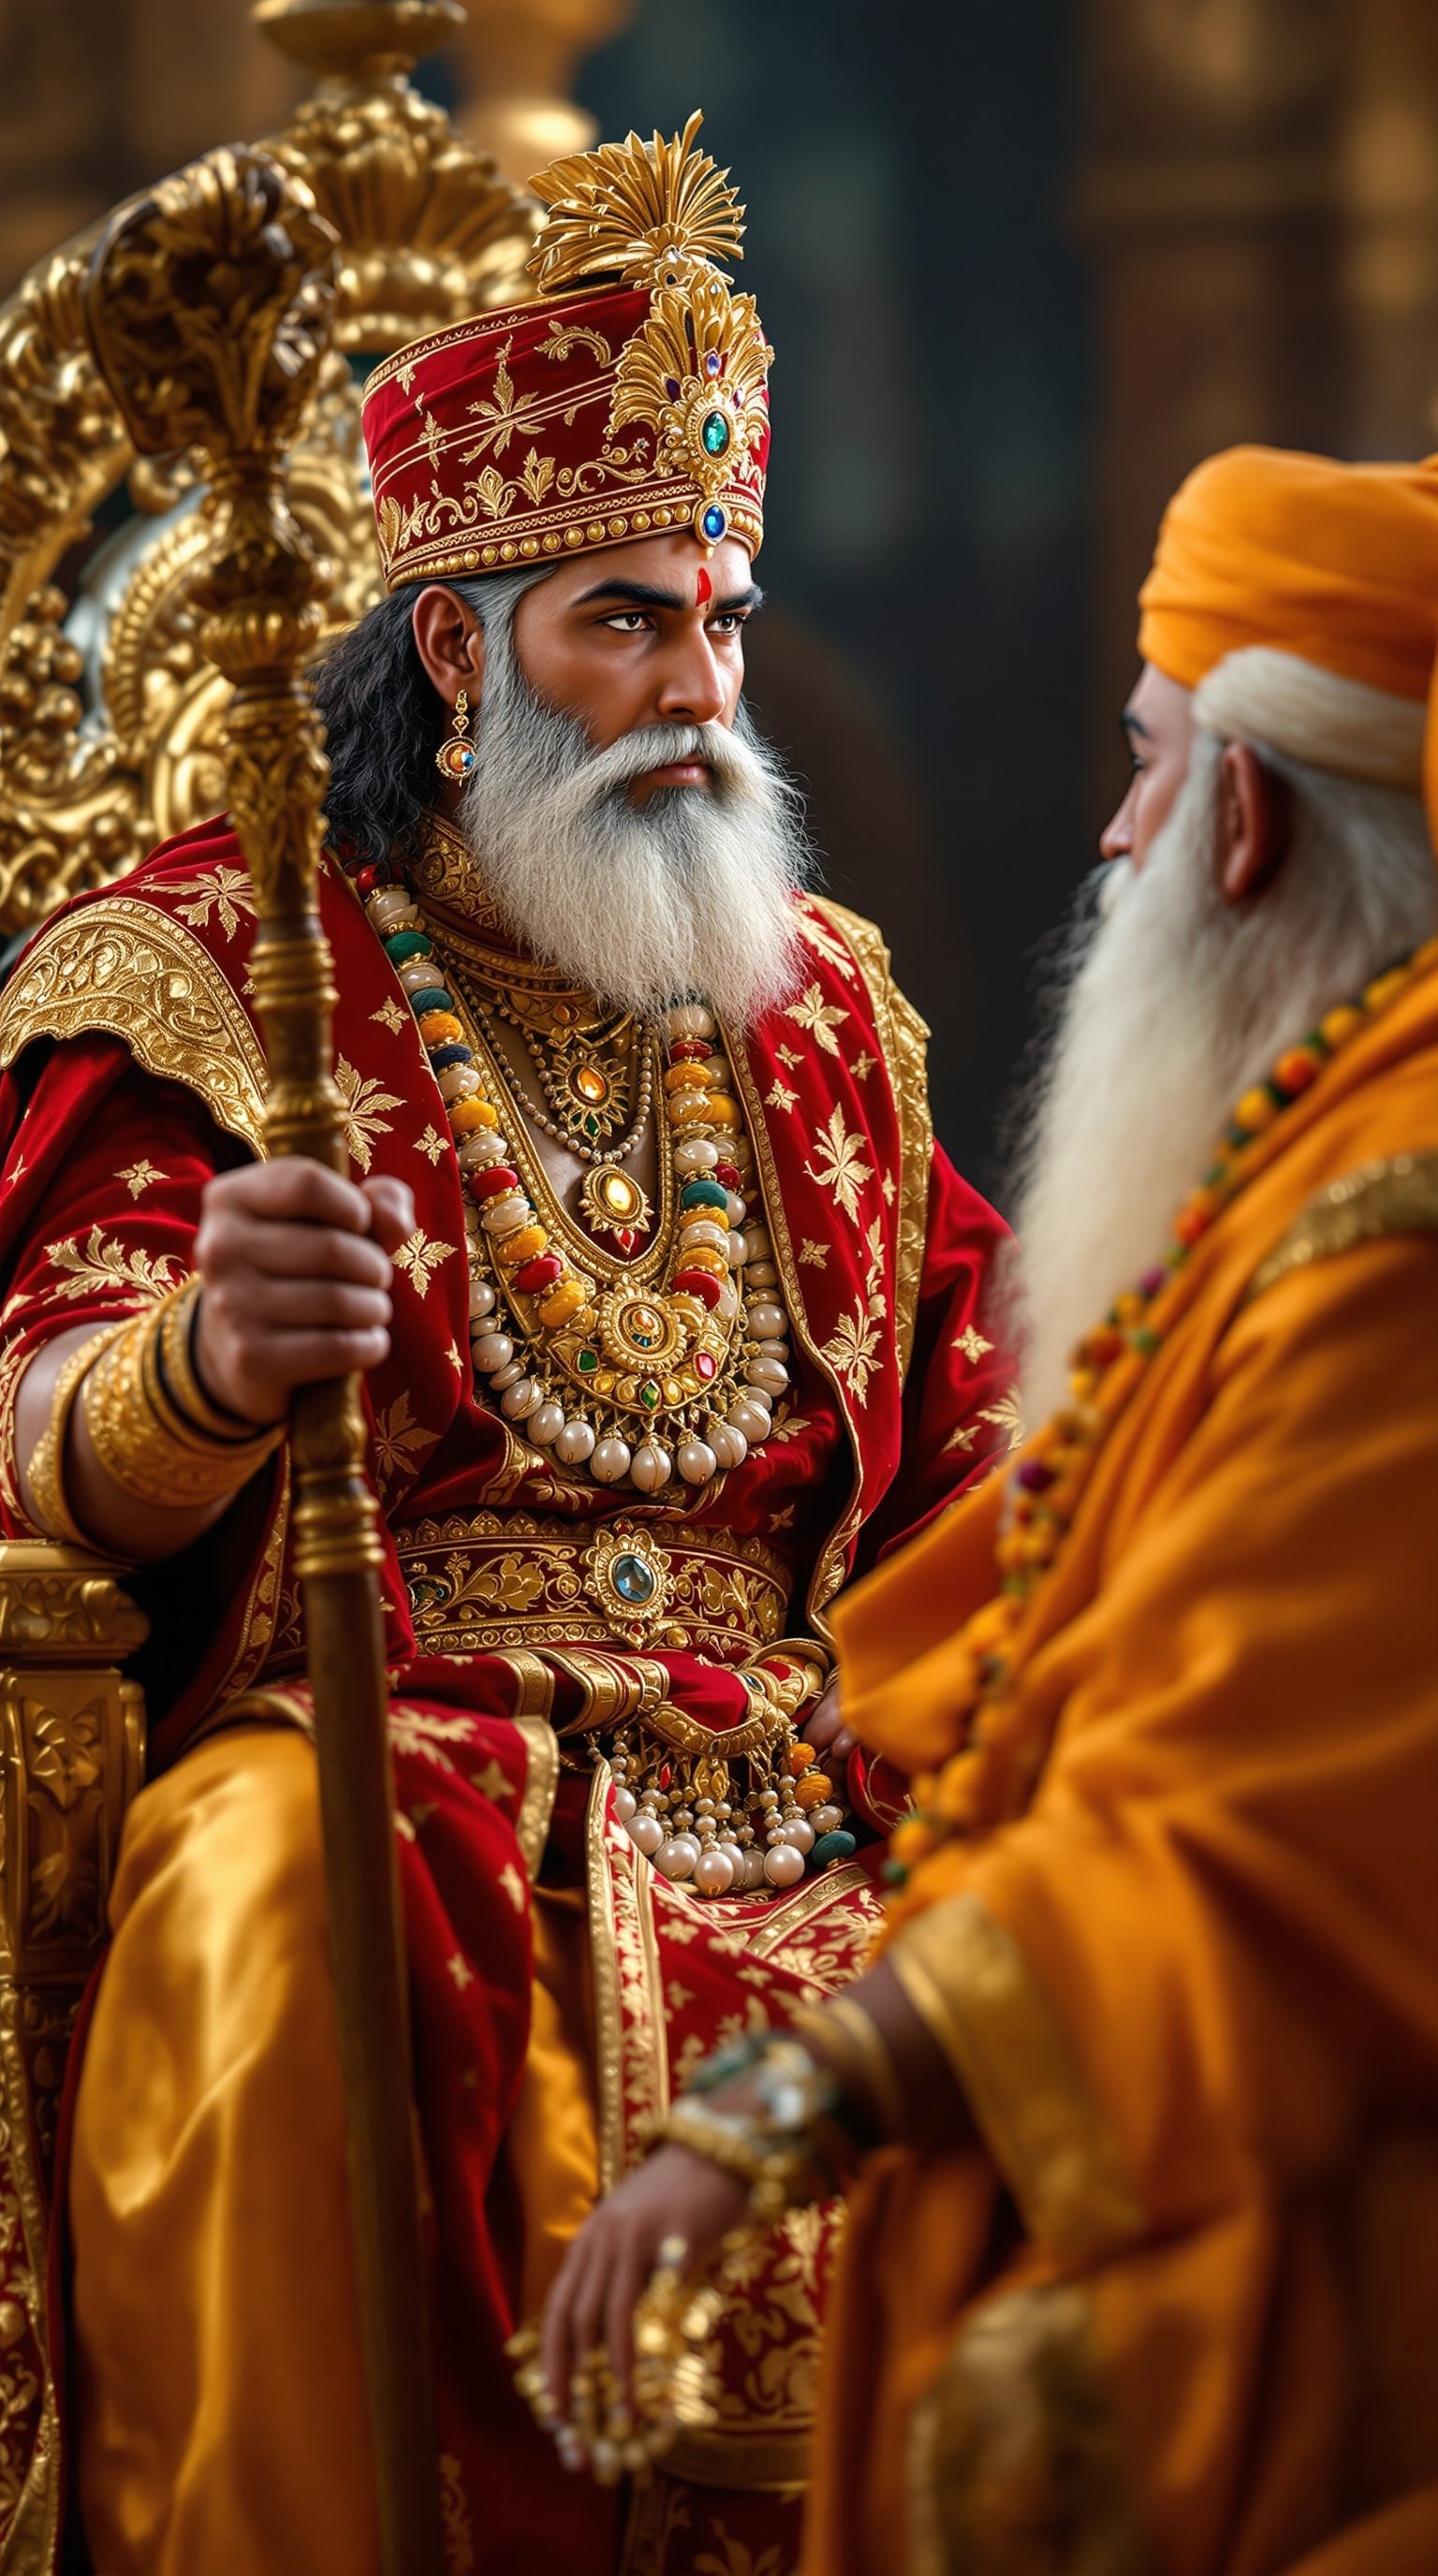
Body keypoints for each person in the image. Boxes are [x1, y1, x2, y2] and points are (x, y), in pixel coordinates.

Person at [0, 116, 1012, 2576]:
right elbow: (34, 1427)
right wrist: (213, 1375)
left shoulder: (812, 1019)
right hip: (411, 1782)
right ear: (455, 647)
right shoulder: (214, 985)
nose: (702, 695)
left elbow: (987, 1447)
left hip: (809, 1788)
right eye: (627, 626)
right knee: (246, 1904)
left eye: (726, 621)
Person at [542, 442, 1438, 2576]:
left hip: (1320, 2205)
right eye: (627, 620)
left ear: (1240, 814)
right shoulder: (1327, 1140)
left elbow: (1233, 1826)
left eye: (1145, 772)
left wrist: (787, 2100)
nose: (1114, 830)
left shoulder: (1384, 1235)